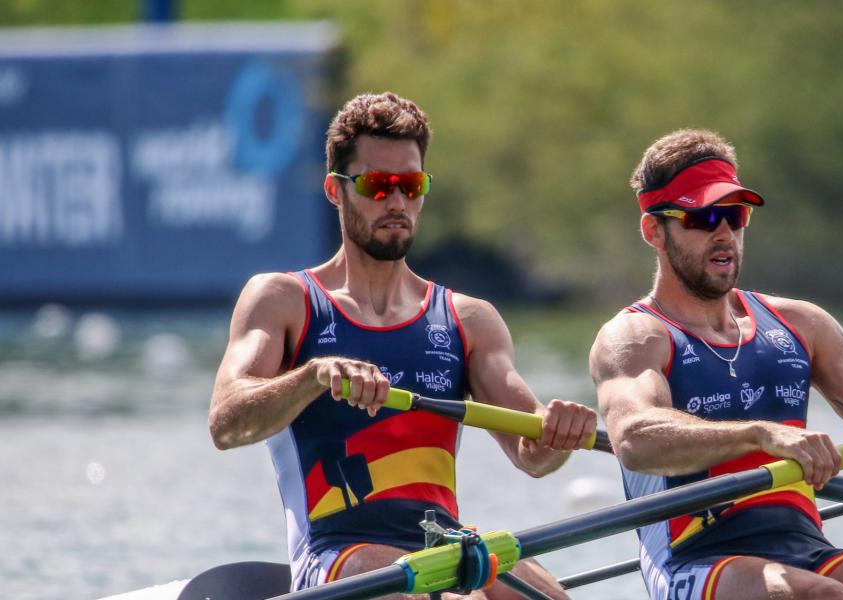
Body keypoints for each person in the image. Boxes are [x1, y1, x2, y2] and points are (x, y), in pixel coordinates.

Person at [209, 92, 596, 599]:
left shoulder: (468, 320)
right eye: (377, 185)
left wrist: (561, 432)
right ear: (335, 190)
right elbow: (226, 422)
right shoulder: (285, 300)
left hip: (444, 548)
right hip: (335, 558)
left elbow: (533, 455)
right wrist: (312, 377)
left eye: (411, 185)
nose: (397, 202)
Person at [589, 129, 843, 600]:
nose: (724, 233)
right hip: (695, 559)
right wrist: (759, 434)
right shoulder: (635, 336)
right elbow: (633, 438)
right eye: (703, 217)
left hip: (803, 548)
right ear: (654, 230)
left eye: (735, 215)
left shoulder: (800, 324)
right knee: (816, 597)